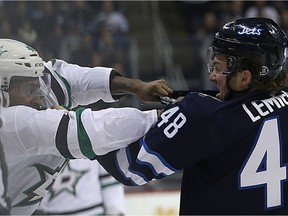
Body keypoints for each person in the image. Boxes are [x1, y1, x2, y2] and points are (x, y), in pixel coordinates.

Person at [95, 17, 288, 214]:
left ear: (244, 78)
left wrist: (86, 128)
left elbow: (127, 168)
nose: (212, 75)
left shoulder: (204, 116)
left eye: (220, 68)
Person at [0, 38, 173, 215]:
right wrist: (161, 116)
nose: (39, 97)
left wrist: (136, 86)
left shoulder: (26, 94)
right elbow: (90, 130)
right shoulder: (9, 124)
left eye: (37, 86)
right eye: (30, 90)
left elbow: (75, 80)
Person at [37, 159, 125, 215]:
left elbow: (110, 184)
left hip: (92, 211)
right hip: (52, 211)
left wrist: (115, 212)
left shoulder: (95, 137)